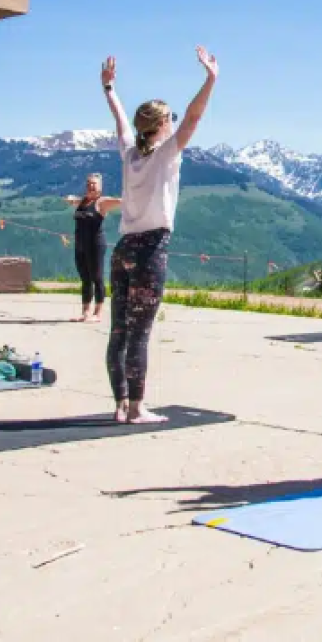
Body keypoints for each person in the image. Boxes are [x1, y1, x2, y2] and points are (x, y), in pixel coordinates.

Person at [101, 47, 218, 424]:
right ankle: (136, 407)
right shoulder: (166, 154)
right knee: (140, 333)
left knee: (119, 330)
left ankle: (119, 404)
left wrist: (109, 90)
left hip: (123, 249)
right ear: (163, 123)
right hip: (151, 249)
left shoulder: (130, 155)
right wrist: (210, 80)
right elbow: (194, 118)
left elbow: (120, 125)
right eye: (171, 119)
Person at [63, 175, 121, 323]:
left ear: (100, 187)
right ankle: (85, 313)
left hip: (96, 244)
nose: (91, 186)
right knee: (85, 279)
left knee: (97, 278)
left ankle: (97, 314)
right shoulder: (82, 201)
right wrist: (70, 199)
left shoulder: (102, 202)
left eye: (94, 184)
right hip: (80, 245)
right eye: (88, 183)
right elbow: (73, 201)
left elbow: (121, 202)